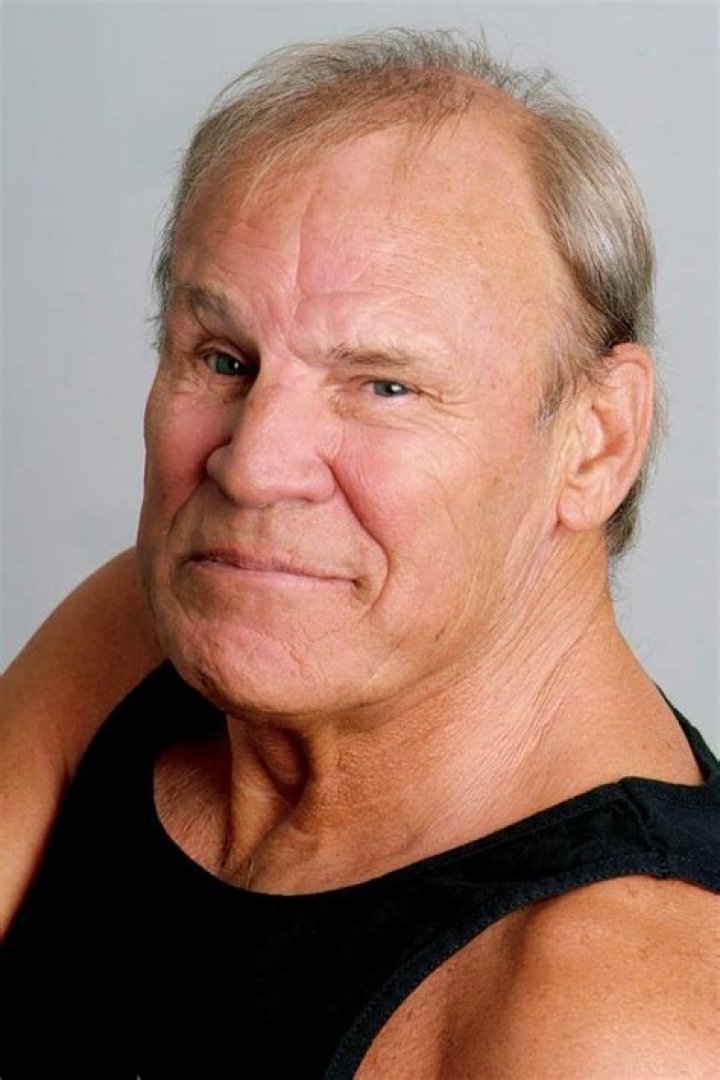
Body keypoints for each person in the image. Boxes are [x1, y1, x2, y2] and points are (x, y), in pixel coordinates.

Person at [2, 27, 718, 1078]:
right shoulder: (151, 629)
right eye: (223, 359)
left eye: (384, 385)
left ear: (597, 440)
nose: (253, 468)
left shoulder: (611, 1022)